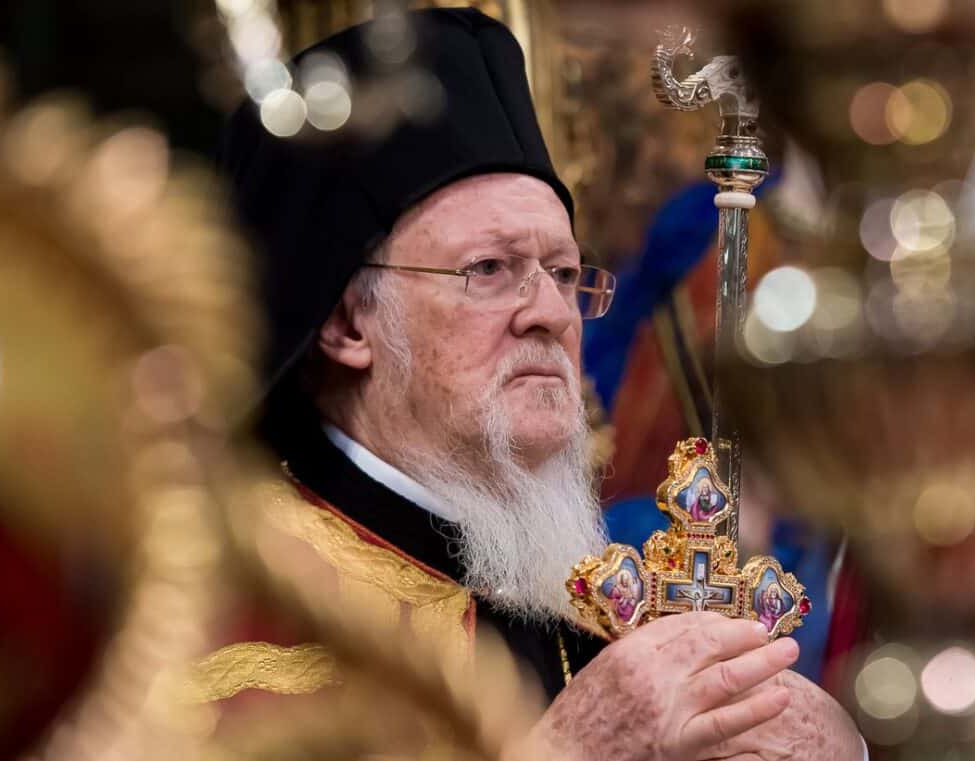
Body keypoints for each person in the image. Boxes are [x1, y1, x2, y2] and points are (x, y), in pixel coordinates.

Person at [214, 7, 866, 759]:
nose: (552, 313)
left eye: (563, 272)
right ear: (347, 326)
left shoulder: (582, 596)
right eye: (488, 270)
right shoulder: (226, 601)